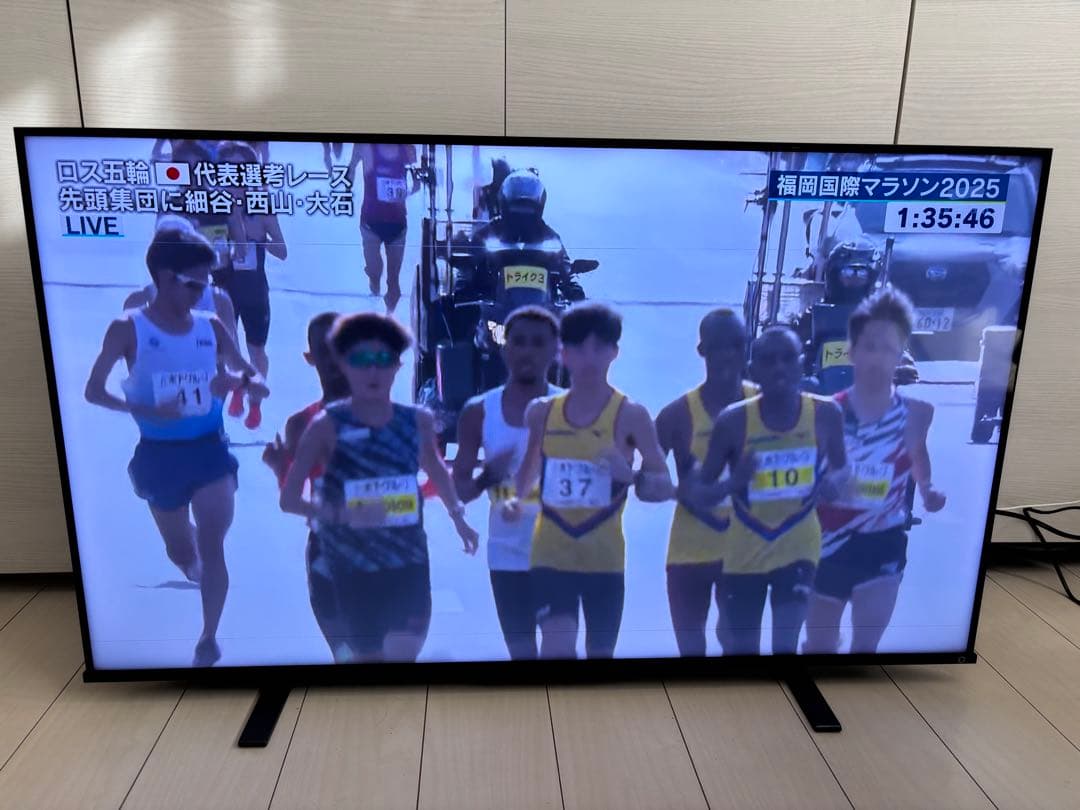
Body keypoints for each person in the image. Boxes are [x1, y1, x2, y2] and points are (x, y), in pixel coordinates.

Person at [84, 222, 268, 667]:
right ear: (164, 278)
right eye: (193, 284)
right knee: (181, 552)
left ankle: (209, 637)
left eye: (206, 284)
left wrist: (239, 382)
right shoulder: (127, 328)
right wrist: (144, 408)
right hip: (158, 455)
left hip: (209, 450)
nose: (202, 293)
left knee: (213, 541)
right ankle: (190, 565)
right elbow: (93, 391)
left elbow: (254, 379)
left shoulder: (212, 326)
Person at [280, 312, 479, 663]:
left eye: (383, 360)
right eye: (361, 361)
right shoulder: (322, 426)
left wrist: (458, 517)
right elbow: (290, 498)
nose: (373, 371)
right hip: (343, 562)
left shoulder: (416, 421)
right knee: (356, 660)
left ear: (398, 366)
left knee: (401, 657)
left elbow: (436, 470)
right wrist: (338, 513)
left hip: (406, 559)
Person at [503, 303, 674, 659]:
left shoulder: (631, 416)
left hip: (604, 561)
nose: (589, 358)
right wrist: (514, 501)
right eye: (579, 347)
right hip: (551, 556)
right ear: (562, 354)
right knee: (557, 647)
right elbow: (529, 471)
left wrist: (630, 476)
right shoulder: (542, 413)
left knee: (600, 656)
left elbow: (663, 487)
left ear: (614, 352)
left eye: (599, 347)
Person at [683, 326, 847, 656]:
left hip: (798, 546)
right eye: (768, 360)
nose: (779, 368)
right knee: (742, 649)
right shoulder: (733, 422)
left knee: (785, 645)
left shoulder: (826, 413)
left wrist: (834, 484)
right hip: (746, 552)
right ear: (752, 370)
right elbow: (698, 492)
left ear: (802, 364)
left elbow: (843, 467)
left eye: (787, 359)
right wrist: (733, 483)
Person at [804, 288, 947, 654]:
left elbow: (918, 455)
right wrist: (818, 488)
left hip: (882, 541)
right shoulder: (824, 412)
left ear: (900, 356)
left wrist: (928, 489)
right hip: (826, 543)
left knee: (865, 647)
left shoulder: (918, 413)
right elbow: (805, 472)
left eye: (887, 348)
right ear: (851, 351)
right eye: (869, 347)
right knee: (819, 645)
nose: (877, 357)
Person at [453, 305, 561, 660]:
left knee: (559, 648)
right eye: (519, 342)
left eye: (538, 343)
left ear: (555, 350)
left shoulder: (568, 408)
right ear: (505, 349)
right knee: (522, 653)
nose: (528, 351)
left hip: (561, 552)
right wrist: (487, 476)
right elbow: (459, 491)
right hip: (506, 554)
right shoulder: (478, 412)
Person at [655, 309, 758, 657]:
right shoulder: (675, 416)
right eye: (718, 347)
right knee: (690, 651)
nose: (728, 355)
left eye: (736, 345)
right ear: (702, 351)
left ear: (747, 346)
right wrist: (676, 491)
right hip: (689, 554)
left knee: (740, 646)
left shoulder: (768, 405)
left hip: (747, 554)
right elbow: (645, 485)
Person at [262, 312, 351, 657]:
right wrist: (279, 468)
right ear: (310, 357)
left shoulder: (389, 416)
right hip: (326, 551)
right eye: (324, 351)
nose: (333, 359)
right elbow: (292, 494)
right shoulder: (300, 424)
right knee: (345, 654)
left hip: (384, 548)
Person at [214, 140, 288, 430]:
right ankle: (236, 389)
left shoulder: (262, 207)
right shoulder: (214, 208)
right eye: (228, 170)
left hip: (255, 292)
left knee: (257, 351)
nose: (234, 177)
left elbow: (283, 250)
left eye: (241, 170)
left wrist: (258, 241)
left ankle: (254, 402)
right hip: (224, 291)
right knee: (227, 349)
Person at [457, 170, 584, 304]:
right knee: (460, 310)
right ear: (504, 202)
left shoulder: (549, 236)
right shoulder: (487, 233)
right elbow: (469, 264)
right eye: (517, 206)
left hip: (544, 307)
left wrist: (572, 284)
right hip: (493, 305)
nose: (522, 211)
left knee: (579, 310)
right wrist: (463, 283)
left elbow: (564, 265)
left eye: (528, 206)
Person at [347, 143, 419, 313]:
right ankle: (373, 281)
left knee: (393, 280)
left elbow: (417, 185)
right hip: (370, 222)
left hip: (397, 223)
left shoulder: (408, 149)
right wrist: (347, 184)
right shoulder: (364, 147)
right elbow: (350, 171)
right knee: (374, 271)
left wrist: (404, 193)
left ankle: (389, 318)